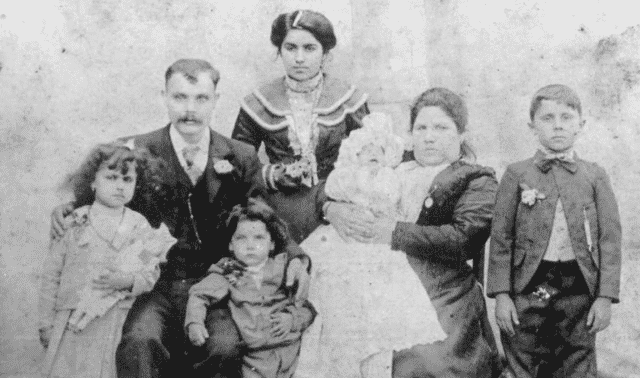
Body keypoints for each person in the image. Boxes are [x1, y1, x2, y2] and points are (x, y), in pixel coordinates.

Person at [49, 59, 311, 378]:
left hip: (217, 281)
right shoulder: (139, 148)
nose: (190, 109)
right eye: (180, 97)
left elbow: (262, 215)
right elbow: (99, 192)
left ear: (215, 100)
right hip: (156, 283)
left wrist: (295, 257)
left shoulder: (239, 155)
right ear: (164, 97)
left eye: (201, 98)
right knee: (139, 341)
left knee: (225, 347)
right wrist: (67, 209)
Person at [321, 88, 503, 377]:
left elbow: (462, 240)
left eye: (441, 127)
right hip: (372, 281)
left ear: (462, 135)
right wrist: (331, 208)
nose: (429, 136)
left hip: (440, 287)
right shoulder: (391, 164)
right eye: (421, 128)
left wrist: (394, 232)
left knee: (418, 358)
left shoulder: (475, 179)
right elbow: (338, 181)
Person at [295, 112, 446, 378]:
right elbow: (337, 191)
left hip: (377, 243)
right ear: (355, 155)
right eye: (366, 151)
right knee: (334, 294)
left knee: (381, 309)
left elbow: (394, 203)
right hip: (344, 239)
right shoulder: (347, 175)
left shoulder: (391, 177)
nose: (373, 155)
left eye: (379, 151)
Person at [487, 84, 622, 378]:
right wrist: (502, 295)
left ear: (581, 125)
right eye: (547, 118)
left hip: (579, 283)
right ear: (532, 126)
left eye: (566, 117)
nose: (558, 125)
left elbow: (609, 240)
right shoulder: (517, 173)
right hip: (534, 282)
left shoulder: (594, 175)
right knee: (523, 345)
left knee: (577, 352)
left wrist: (604, 297)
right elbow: (500, 239)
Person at [38, 142, 177, 378]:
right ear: (92, 181)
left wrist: (128, 281)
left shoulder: (139, 226)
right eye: (111, 178)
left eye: (127, 180)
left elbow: (150, 271)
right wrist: (45, 323)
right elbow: (52, 275)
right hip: (71, 323)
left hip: (115, 320)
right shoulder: (74, 222)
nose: (119, 186)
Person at [231, 9, 370, 242]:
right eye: (290, 48)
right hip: (282, 207)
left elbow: (371, 158)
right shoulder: (258, 103)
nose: (299, 58)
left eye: (309, 48)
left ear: (325, 53)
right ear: (280, 51)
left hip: (340, 204)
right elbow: (237, 166)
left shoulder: (349, 100)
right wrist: (274, 174)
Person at [185, 199, 316, 378]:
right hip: (255, 359)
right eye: (241, 238)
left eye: (259, 238)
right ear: (231, 245)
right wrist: (195, 323)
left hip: (290, 353)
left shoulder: (284, 267)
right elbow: (199, 295)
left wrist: (291, 319)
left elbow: (308, 309)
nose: (250, 245)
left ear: (272, 244)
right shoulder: (230, 270)